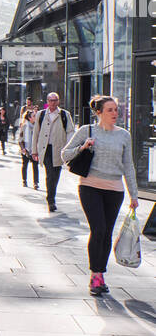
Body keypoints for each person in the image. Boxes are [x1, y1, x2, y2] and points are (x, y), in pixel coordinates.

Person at [61, 95, 138, 295]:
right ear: (99, 112)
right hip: (90, 187)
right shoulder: (86, 131)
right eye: (110, 110)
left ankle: (100, 274)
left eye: (116, 109)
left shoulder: (124, 135)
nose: (115, 113)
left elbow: (128, 166)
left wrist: (134, 195)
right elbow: (65, 154)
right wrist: (83, 146)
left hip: (115, 190)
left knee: (107, 232)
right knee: (98, 229)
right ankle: (95, 275)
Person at [33, 92, 75, 213]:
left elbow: (70, 133)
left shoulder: (64, 114)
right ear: (47, 101)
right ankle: (51, 200)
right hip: (45, 149)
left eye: (55, 100)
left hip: (58, 149)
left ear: (58, 101)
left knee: (55, 175)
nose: (53, 102)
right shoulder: (41, 114)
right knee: (50, 174)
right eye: (50, 100)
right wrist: (34, 151)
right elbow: (36, 133)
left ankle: (51, 196)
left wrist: (69, 149)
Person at [18, 103, 40, 189]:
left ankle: (35, 183)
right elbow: (20, 139)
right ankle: (24, 180)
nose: (35, 117)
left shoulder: (37, 126)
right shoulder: (24, 126)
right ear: (29, 118)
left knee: (35, 165)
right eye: (34, 116)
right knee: (25, 165)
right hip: (26, 149)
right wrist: (23, 148)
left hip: (34, 149)